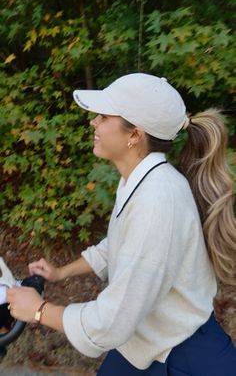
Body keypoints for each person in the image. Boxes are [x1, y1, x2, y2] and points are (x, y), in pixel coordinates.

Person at [7, 73, 236, 375]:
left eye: (103, 116)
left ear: (135, 135)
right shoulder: (139, 179)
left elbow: (110, 321)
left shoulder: (158, 199)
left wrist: (39, 311)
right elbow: (118, 245)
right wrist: (62, 271)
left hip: (183, 355)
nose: (93, 123)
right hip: (147, 341)